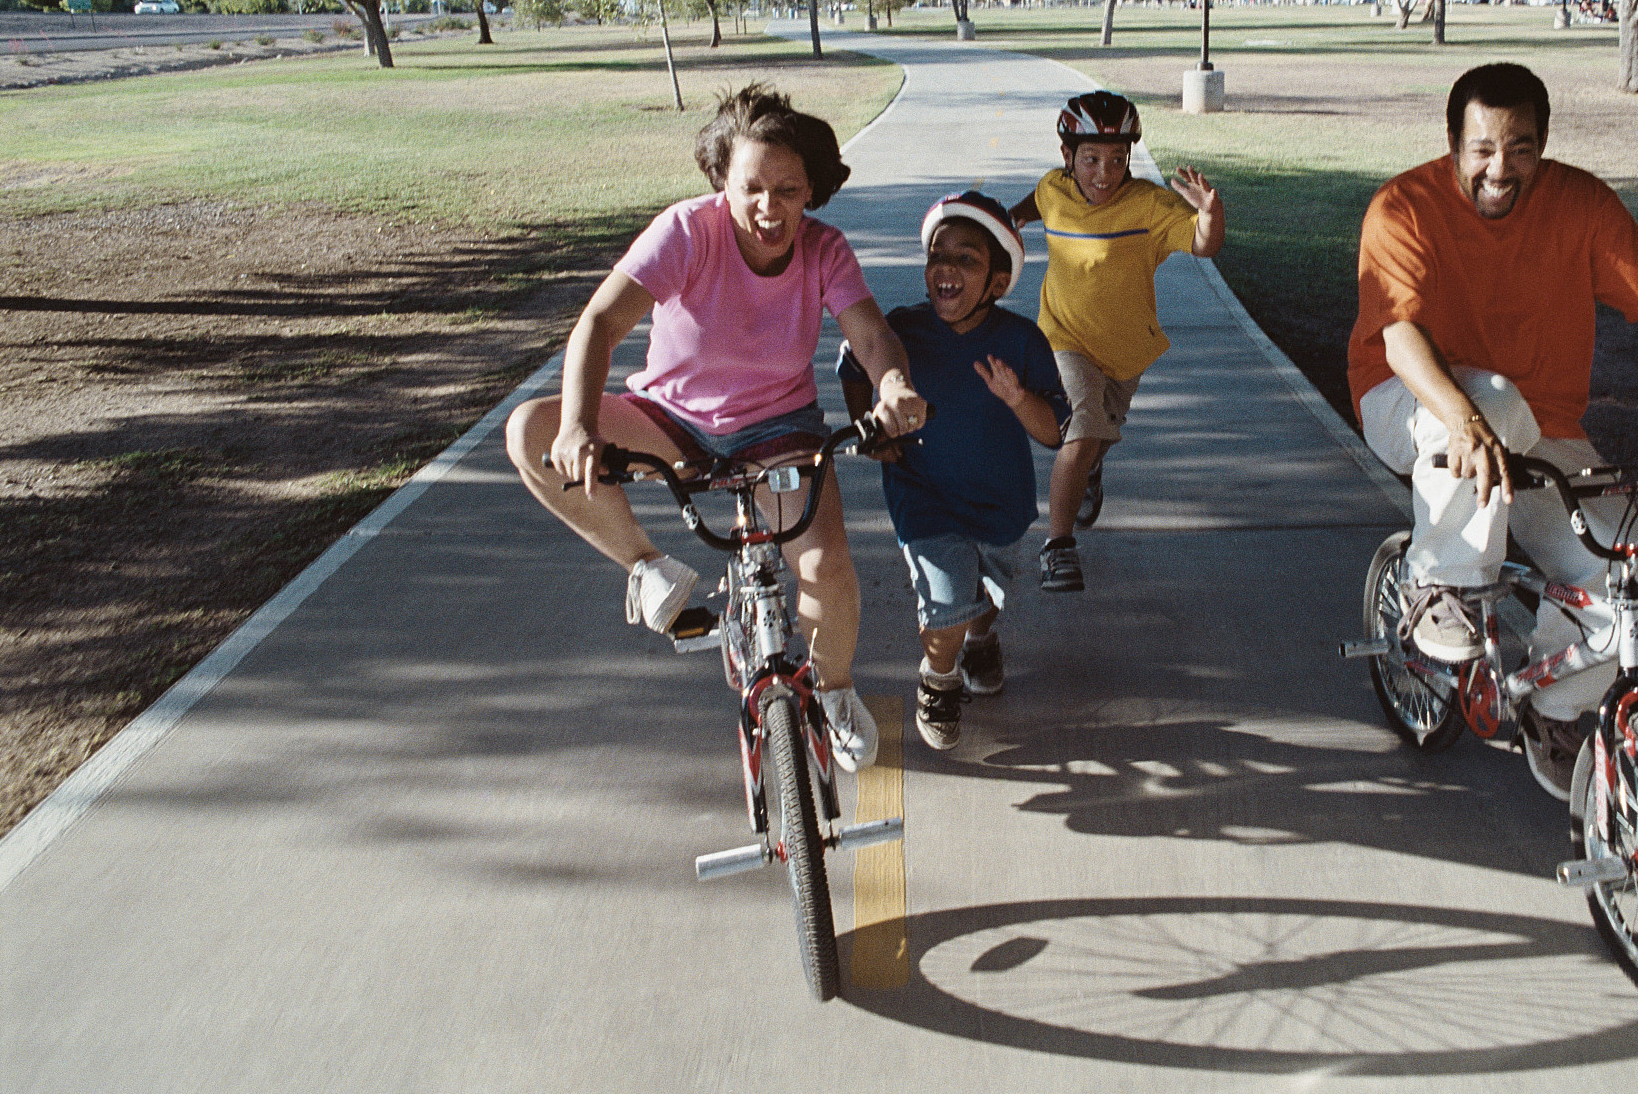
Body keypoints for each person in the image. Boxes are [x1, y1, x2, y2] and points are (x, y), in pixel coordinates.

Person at [1347, 62, 1638, 794]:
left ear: (1544, 144)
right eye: (1482, 147)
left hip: (1540, 427)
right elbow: (1399, 338)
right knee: (1491, 401)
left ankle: (1554, 708)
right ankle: (1442, 582)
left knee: (1622, 562)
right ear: (1452, 142)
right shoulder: (1402, 208)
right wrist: (1461, 417)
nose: (1500, 167)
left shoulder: (1581, 204)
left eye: (1520, 147)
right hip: (1409, 402)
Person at [504, 85, 927, 773]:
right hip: (670, 422)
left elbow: (872, 335)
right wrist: (578, 423)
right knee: (530, 431)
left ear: (811, 189)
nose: (769, 207)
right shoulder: (685, 232)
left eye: (788, 189)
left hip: (777, 431)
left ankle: (834, 689)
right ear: (719, 182)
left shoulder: (824, 249)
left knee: (827, 571)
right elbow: (600, 324)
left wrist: (896, 385)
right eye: (751, 187)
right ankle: (648, 565)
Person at [839, 193, 1069, 750]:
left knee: (982, 600)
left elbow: (1053, 432)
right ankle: (938, 680)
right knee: (945, 602)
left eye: (966, 259)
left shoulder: (1020, 341)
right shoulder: (901, 331)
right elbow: (853, 364)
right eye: (937, 255)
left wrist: (1017, 399)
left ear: (996, 281)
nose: (946, 268)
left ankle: (980, 639)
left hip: (1001, 504)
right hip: (923, 497)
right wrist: (870, 429)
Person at [1008, 91, 1223, 593]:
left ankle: (1088, 471)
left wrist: (1210, 213)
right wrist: (1011, 218)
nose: (1104, 172)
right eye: (1090, 159)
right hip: (1063, 339)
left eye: (1117, 159)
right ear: (1067, 157)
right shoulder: (1052, 188)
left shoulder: (1148, 204)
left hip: (1125, 352)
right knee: (1081, 431)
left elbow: (1203, 244)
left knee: (1096, 440)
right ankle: (1057, 547)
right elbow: (1038, 201)